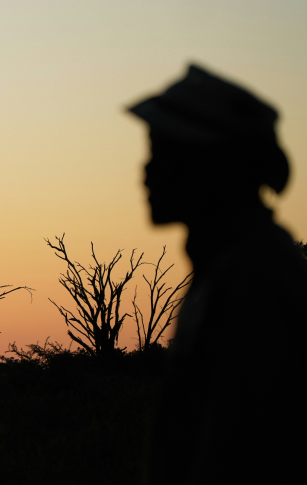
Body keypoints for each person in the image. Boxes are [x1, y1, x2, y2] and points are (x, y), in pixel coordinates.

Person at [127, 64, 307, 484]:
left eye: (163, 153)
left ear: (213, 164)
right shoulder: (232, 267)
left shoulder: (252, 281)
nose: (146, 172)